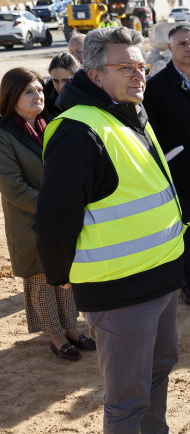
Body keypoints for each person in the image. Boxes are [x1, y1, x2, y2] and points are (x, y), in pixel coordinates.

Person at [35, 26, 184, 433]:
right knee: (126, 400)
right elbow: (52, 221)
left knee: (159, 371)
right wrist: (59, 275)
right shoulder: (78, 131)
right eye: (126, 67)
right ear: (96, 74)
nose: (139, 76)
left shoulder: (130, 112)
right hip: (120, 291)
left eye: (142, 66)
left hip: (161, 278)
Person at [0, 68, 95, 362]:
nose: (38, 95)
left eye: (40, 89)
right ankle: (54, 336)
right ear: (11, 96)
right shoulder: (4, 134)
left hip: (60, 214)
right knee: (41, 278)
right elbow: (13, 186)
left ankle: (71, 328)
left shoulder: (51, 123)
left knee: (65, 273)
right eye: (29, 91)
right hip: (31, 218)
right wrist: (53, 206)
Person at [143, 23, 190, 304]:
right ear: (169, 49)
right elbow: (149, 133)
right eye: (182, 44)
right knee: (184, 232)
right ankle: (188, 283)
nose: (189, 49)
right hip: (177, 175)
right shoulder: (156, 87)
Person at [43, 52, 79, 117]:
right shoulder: (45, 105)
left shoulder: (90, 98)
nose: (61, 86)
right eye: (56, 81)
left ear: (76, 77)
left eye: (65, 80)